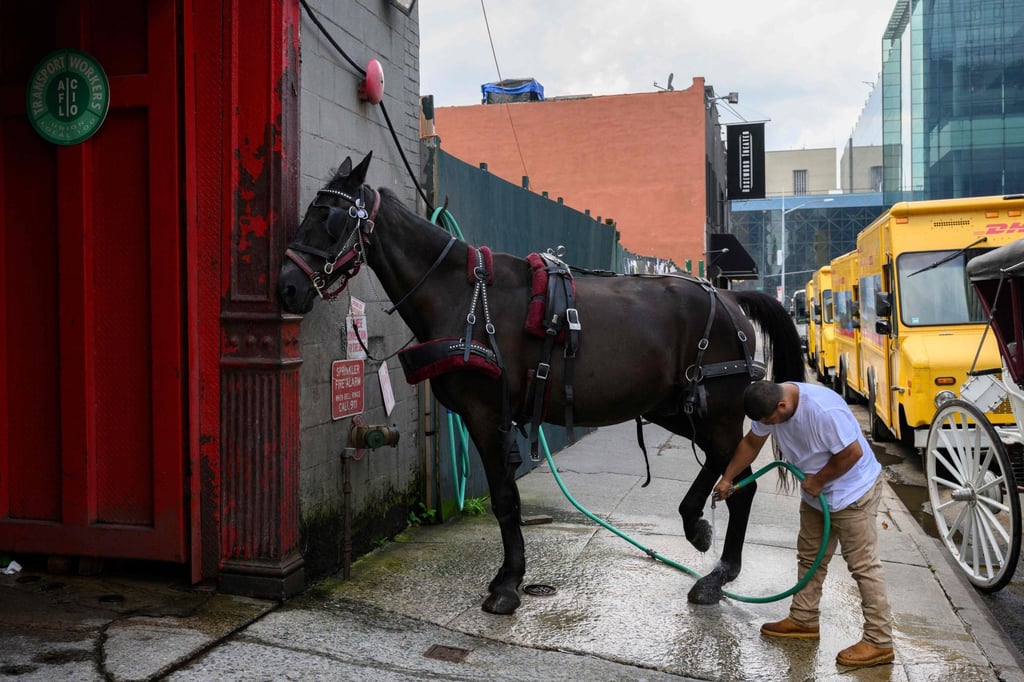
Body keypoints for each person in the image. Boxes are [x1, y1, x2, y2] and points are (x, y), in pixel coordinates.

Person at [713, 380, 894, 668]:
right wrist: (727, 479)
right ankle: (803, 619)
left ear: (782, 405)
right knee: (810, 557)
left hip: (852, 493)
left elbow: (852, 453)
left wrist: (818, 480)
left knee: (863, 566)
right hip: (816, 494)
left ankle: (879, 641)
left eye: (770, 421)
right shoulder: (770, 405)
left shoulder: (823, 410)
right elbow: (751, 443)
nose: (767, 426)